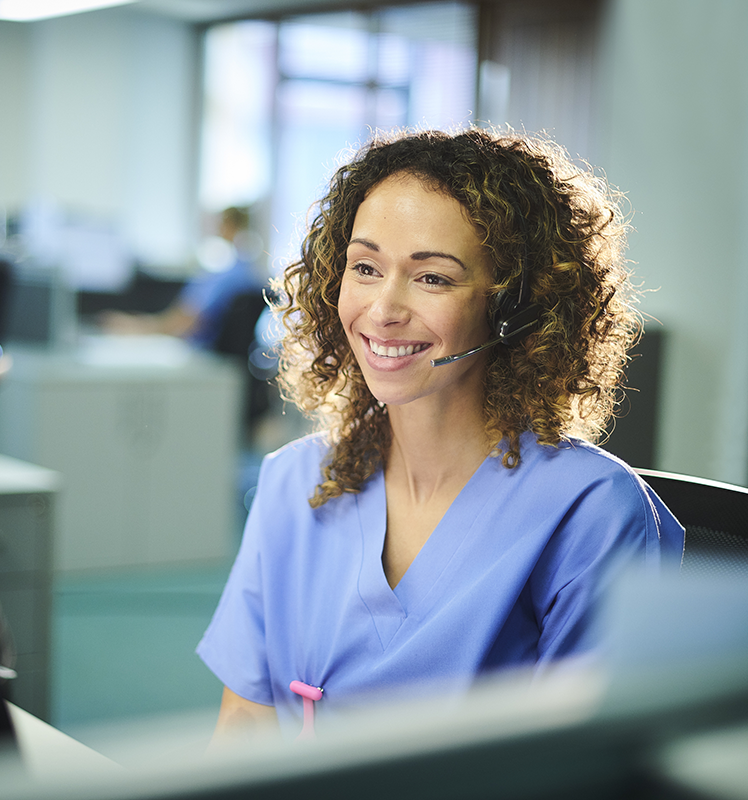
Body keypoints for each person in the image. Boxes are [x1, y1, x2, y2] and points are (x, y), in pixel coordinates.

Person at [195, 128, 685, 744]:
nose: (383, 309)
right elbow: (243, 724)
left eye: (432, 278)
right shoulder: (294, 481)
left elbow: (589, 771)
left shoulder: (590, 512)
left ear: (515, 307)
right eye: (365, 268)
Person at [100, 206, 266, 350]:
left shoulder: (224, 277)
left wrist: (139, 328)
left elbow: (187, 321)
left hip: (203, 358)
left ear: (229, 225)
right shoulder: (250, 274)